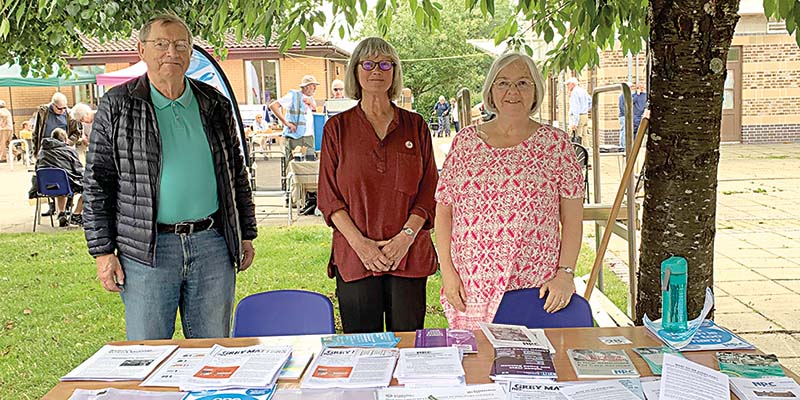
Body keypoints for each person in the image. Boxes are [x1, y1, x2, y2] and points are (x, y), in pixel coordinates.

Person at [83, 13, 257, 340]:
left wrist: (245, 232)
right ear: (141, 50)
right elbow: (96, 183)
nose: (171, 53)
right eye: (161, 44)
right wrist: (103, 252)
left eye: (180, 45)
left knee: (213, 352)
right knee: (148, 354)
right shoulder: (117, 105)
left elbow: (236, 173)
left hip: (212, 245)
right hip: (146, 250)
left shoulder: (214, 104)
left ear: (191, 53)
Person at [435, 52, 585, 329]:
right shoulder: (465, 142)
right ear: (491, 90)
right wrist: (447, 271)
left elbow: (573, 220)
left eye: (523, 83)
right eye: (503, 83)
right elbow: (444, 211)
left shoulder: (556, 145)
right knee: (477, 366)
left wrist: (565, 274)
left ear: (535, 90)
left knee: (533, 365)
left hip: (535, 287)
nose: (512, 91)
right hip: (471, 287)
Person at [317, 37, 439, 334]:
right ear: (356, 72)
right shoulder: (337, 128)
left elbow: (430, 189)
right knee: (363, 350)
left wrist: (405, 238)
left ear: (395, 72)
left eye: (386, 64)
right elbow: (329, 197)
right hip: (356, 256)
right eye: (368, 64)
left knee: (409, 347)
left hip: (407, 254)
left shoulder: (416, 126)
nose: (377, 71)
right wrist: (363, 247)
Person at [33, 128, 85, 227]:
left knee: (60, 183)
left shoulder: (42, 151)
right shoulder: (69, 150)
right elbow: (78, 170)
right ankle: (76, 214)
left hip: (45, 187)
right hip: (65, 184)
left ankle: (61, 213)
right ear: (65, 139)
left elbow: (37, 168)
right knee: (90, 188)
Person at [269, 75, 319, 166]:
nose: (315, 88)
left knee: (310, 165)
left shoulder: (311, 98)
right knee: (293, 164)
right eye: (313, 86)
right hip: (295, 136)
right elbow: (273, 106)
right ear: (306, 86)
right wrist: (286, 123)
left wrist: (311, 104)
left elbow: (314, 111)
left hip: (308, 137)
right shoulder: (293, 95)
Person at [32, 92, 81, 157]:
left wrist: (69, 142)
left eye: (64, 108)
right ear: (53, 105)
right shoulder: (43, 112)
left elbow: (76, 133)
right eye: (59, 108)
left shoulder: (70, 114)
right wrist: (35, 152)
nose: (62, 111)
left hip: (63, 150)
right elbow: (36, 132)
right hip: (46, 150)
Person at [566, 77, 591, 148]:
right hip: (585, 115)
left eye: (568, 84)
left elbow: (575, 108)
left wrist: (574, 123)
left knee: (577, 135)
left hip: (578, 116)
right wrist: (585, 109)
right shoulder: (583, 91)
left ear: (573, 84)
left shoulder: (574, 93)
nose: (567, 86)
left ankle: (578, 151)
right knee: (584, 135)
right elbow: (590, 101)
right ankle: (587, 149)